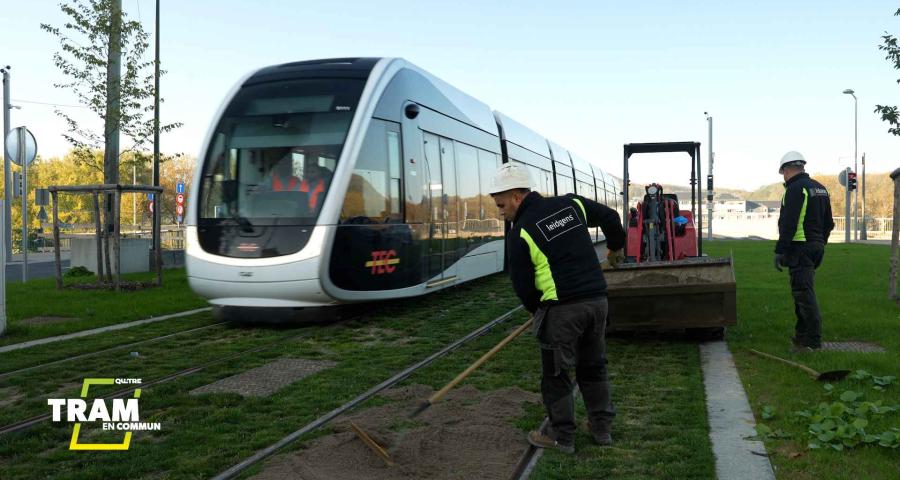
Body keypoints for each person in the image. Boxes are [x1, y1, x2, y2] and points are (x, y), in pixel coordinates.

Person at [489, 162, 626, 454]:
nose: (501, 212)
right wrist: (616, 246)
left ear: (516, 197)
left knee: (556, 375)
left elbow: (524, 286)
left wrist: (537, 310)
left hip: (562, 311)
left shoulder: (520, 232)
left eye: (501, 205)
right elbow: (611, 217)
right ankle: (602, 429)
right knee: (593, 366)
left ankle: (561, 437)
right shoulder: (571, 204)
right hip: (597, 302)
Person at [774, 151, 834, 351]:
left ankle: (812, 342)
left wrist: (780, 250)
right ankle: (801, 336)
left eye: (783, 173)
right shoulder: (820, 188)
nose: (784, 177)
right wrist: (820, 242)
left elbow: (788, 224)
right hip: (816, 247)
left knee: (804, 295)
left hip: (800, 248)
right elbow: (829, 223)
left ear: (786, 170)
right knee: (802, 292)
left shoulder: (794, 189)